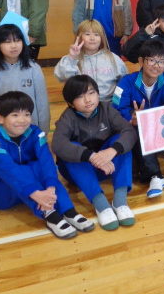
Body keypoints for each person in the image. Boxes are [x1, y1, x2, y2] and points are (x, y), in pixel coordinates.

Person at [0, 91, 94, 240]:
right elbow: (9, 172)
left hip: (26, 188)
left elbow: (46, 161)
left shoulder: (35, 132)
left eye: (26, 114)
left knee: (40, 165)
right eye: (15, 115)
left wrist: (50, 188)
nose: (22, 120)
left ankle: (69, 211)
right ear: (0, 118)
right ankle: (50, 215)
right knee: (22, 169)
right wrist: (36, 194)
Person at [113, 40, 164, 199]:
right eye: (151, 60)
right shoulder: (126, 82)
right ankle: (154, 176)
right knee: (138, 127)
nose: (156, 66)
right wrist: (131, 119)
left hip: (163, 131)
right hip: (141, 132)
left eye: (161, 62)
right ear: (141, 61)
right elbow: (116, 108)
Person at [52, 75, 137, 231]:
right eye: (80, 96)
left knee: (120, 142)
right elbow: (58, 143)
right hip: (77, 173)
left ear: (98, 94)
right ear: (70, 103)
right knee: (72, 147)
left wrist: (111, 151)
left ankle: (120, 201)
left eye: (91, 93)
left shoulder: (107, 109)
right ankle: (101, 204)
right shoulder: (68, 117)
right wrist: (91, 156)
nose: (87, 100)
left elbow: (129, 131)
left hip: (106, 168)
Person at [0, 22, 50, 134]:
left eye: (17, 40)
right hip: (6, 132)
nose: (13, 46)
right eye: (7, 42)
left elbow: (42, 104)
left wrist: (43, 131)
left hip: (31, 130)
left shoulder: (34, 69)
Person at [54, 20, 128, 102]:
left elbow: (125, 81)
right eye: (87, 34)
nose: (92, 38)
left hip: (109, 104)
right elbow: (61, 77)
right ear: (79, 37)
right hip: (84, 104)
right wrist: (72, 58)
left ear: (102, 38)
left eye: (96, 34)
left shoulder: (113, 58)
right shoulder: (73, 59)